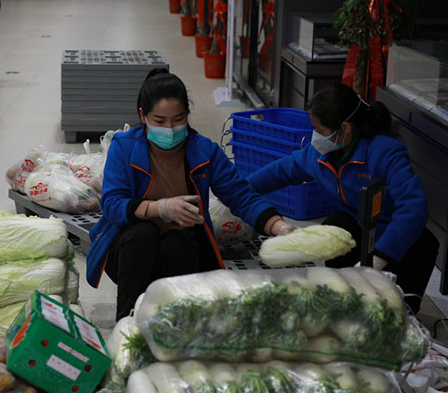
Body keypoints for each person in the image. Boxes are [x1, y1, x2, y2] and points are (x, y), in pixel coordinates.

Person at [86, 69, 294, 320]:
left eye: (178, 118)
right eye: (160, 121)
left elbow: (240, 195)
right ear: (143, 116)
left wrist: (277, 226)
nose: (170, 128)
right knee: (143, 233)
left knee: (179, 242)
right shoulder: (124, 147)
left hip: (179, 251)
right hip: (129, 254)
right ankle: (127, 321)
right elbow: (112, 204)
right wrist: (159, 208)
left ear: (187, 115)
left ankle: (176, 322)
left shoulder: (204, 152)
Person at [247, 83, 439, 312]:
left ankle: (397, 301)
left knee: (393, 310)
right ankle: (349, 295)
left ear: (344, 128)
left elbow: (413, 208)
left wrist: (380, 256)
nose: (315, 137)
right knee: (336, 227)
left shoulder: (385, 151)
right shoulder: (320, 154)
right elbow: (281, 171)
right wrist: (234, 191)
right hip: (358, 230)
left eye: (320, 130)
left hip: (399, 241)